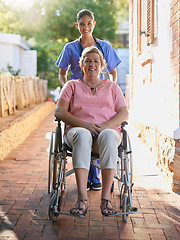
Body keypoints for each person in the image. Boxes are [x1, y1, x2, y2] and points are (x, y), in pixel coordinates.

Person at [55, 46, 128, 217]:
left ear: (102, 65)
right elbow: (59, 111)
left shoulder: (112, 87)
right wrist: (84, 125)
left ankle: (106, 200)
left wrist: (105, 126)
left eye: (96, 61)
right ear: (81, 65)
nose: (92, 64)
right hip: (77, 134)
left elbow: (124, 113)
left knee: (109, 135)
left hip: (106, 134)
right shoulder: (71, 85)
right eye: (87, 61)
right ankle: (82, 199)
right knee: (82, 134)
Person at [56, 9, 121, 191]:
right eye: (82, 24)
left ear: (94, 24)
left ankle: (96, 176)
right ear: (77, 25)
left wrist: (107, 91)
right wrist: (67, 90)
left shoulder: (104, 47)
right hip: (77, 97)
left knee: (99, 123)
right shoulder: (69, 48)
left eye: (89, 23)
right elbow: (62, 74)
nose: (85, 27)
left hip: (99, 94)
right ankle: (90, 179)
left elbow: (113, 73)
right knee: (84, 128)